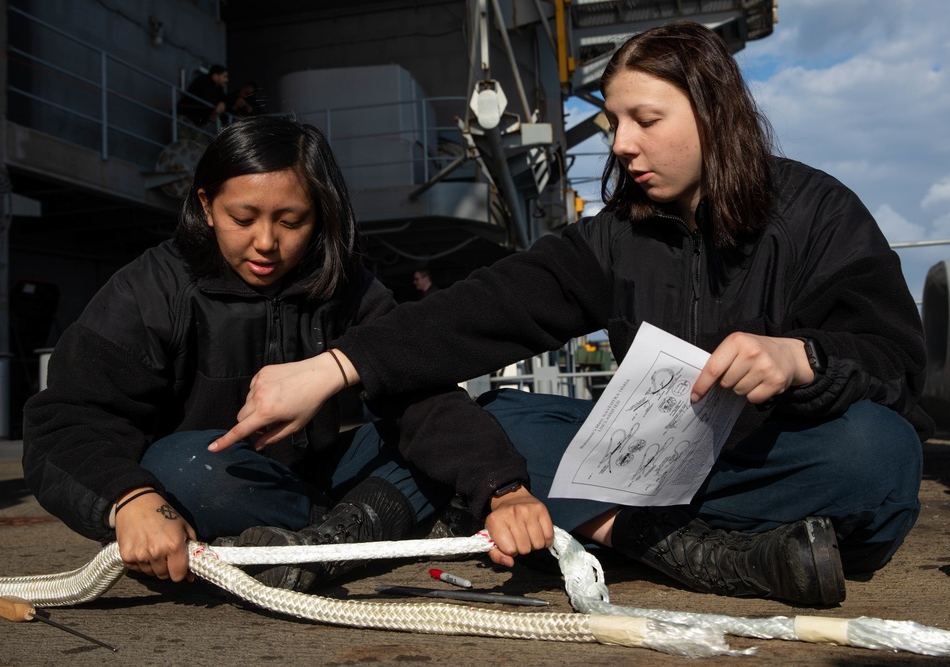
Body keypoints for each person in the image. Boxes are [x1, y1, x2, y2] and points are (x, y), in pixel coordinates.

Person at [207, 22, 934, 606]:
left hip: (765, 460)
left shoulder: (819, 212)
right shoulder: (614, 236)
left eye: (645, 119)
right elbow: (476, 313)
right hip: (642, 467)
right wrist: (334, 367)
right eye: (615, 119)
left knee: (880, 454)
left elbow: (896, 364)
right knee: (507, 415)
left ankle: (611, 531)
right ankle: (707, 553)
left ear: (716, 113)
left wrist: (800, 356)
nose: (621, 144)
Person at [23, 116, 552, 591]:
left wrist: (502, 489)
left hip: (317, 478)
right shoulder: (148, 291)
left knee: (508, 416)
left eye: (291, 221)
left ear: (320, 216)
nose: (266, 242)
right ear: (206, 205)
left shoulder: (351, 289)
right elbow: (65, 421)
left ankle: (324, 538)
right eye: (243, 217)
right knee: (183, 466)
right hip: (212, 486)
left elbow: (418, 396)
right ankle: (372, 518)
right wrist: (130, 498)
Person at [177, 64, 230, 132]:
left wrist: (222, 103)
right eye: (225, 77)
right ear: (215, 76)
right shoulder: (203, 81)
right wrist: (217, 107)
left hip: (195, 124)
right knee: (186, 141)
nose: (227, 80)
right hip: (184, 118)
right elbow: (208, 100)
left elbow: (224, 99)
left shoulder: (218, 88)